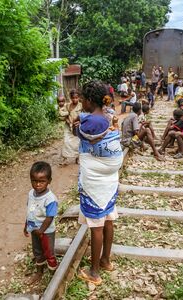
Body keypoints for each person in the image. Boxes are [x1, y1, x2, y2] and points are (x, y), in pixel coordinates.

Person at [75, 80, 123, 286]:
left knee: (96, 225)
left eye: (81, 99)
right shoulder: (107, 116)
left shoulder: (89, 123)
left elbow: (81, 132)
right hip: (110, 178)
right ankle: (105, 260)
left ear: (87, 101)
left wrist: (77, 125)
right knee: (108, 218)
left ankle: (94, 272)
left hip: (95, 180)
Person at [23, 161, 58, 284]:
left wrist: (41, 231)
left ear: (49, 181)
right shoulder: (31, 194)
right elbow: (29, 210)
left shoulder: (50, 199)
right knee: (37, 252)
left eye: (42, 181)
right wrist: (26, 225)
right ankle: (39, 272)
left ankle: (54, 274)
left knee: (49, 252)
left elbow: (49, 217)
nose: (37, 184)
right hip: (34, 230)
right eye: (34, 181)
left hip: (46, 232)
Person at [61, 90, 82, 164]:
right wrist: (67, 121)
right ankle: (65, 159)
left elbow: (84, 116)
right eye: (73, 98)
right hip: (68, 126)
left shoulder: (81, 106)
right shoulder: (67, 106)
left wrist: (79, 122)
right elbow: (64, 115)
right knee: (66, 141)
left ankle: (77, 158)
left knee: (77, 142)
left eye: (76, 98)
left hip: (77, 127)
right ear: (70, 98)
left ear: (79, 97)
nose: (75, 99)